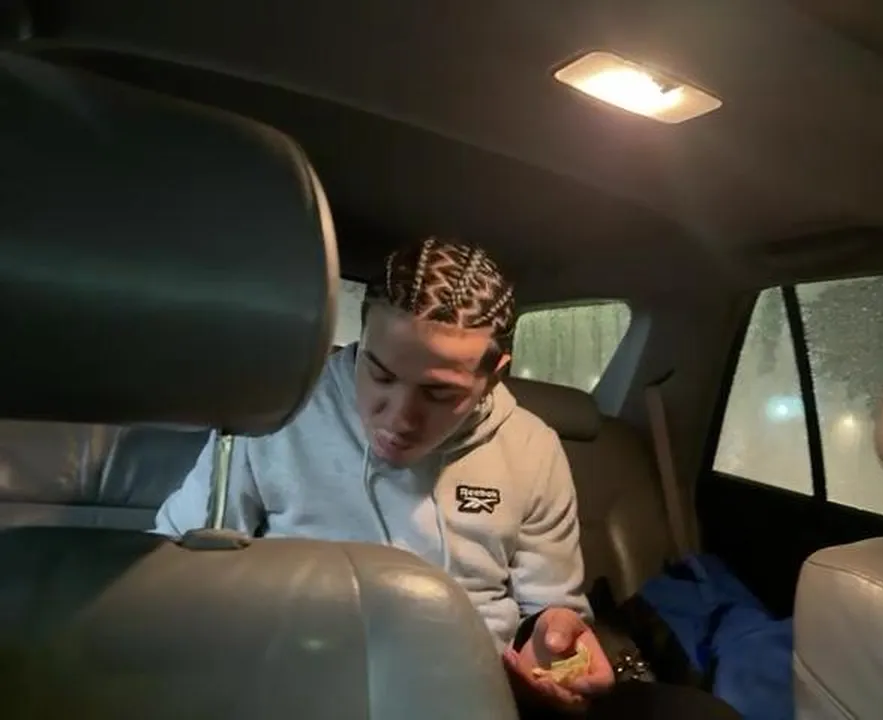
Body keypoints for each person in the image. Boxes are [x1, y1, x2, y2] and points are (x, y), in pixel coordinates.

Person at [153, 238, 738, 719]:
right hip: (305, 679)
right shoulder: (278, 414)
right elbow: (178, 563)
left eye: (439, 394)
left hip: (479, 688)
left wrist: (554, 642)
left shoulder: (532, 447)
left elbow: (551, 608)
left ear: (493, 375)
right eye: (380, 374)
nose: (399, 418)